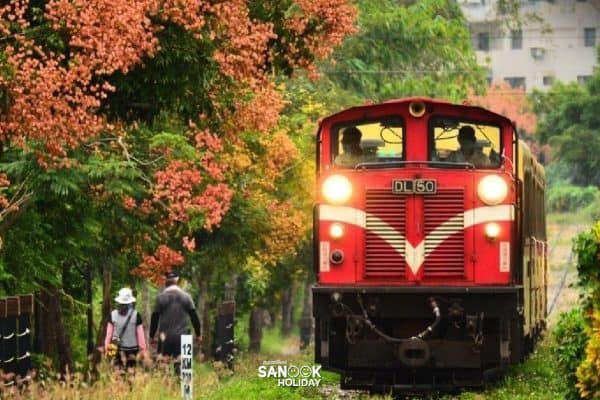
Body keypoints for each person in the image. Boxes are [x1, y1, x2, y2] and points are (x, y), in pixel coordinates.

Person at [149, 271, 201, 371]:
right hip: (183, 337)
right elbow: (194, 317)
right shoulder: (186, 297)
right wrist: (198, 335)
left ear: (166, 282)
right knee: (184, 370)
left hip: (165, 338)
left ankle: (167, 386)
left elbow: (154, 318)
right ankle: (182, 385)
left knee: (164, 368)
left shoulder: (160, 298)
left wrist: (151, 336)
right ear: (177, 282)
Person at [104, 287, 147, 369]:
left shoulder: (112, 315)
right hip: (132, 349)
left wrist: (107, 349)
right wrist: (143, 350)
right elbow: (140, 336)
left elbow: (108, 335)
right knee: (131, 375)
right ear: (130, 302)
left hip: (115, 348)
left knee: (117, 375)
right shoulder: (136, 315)